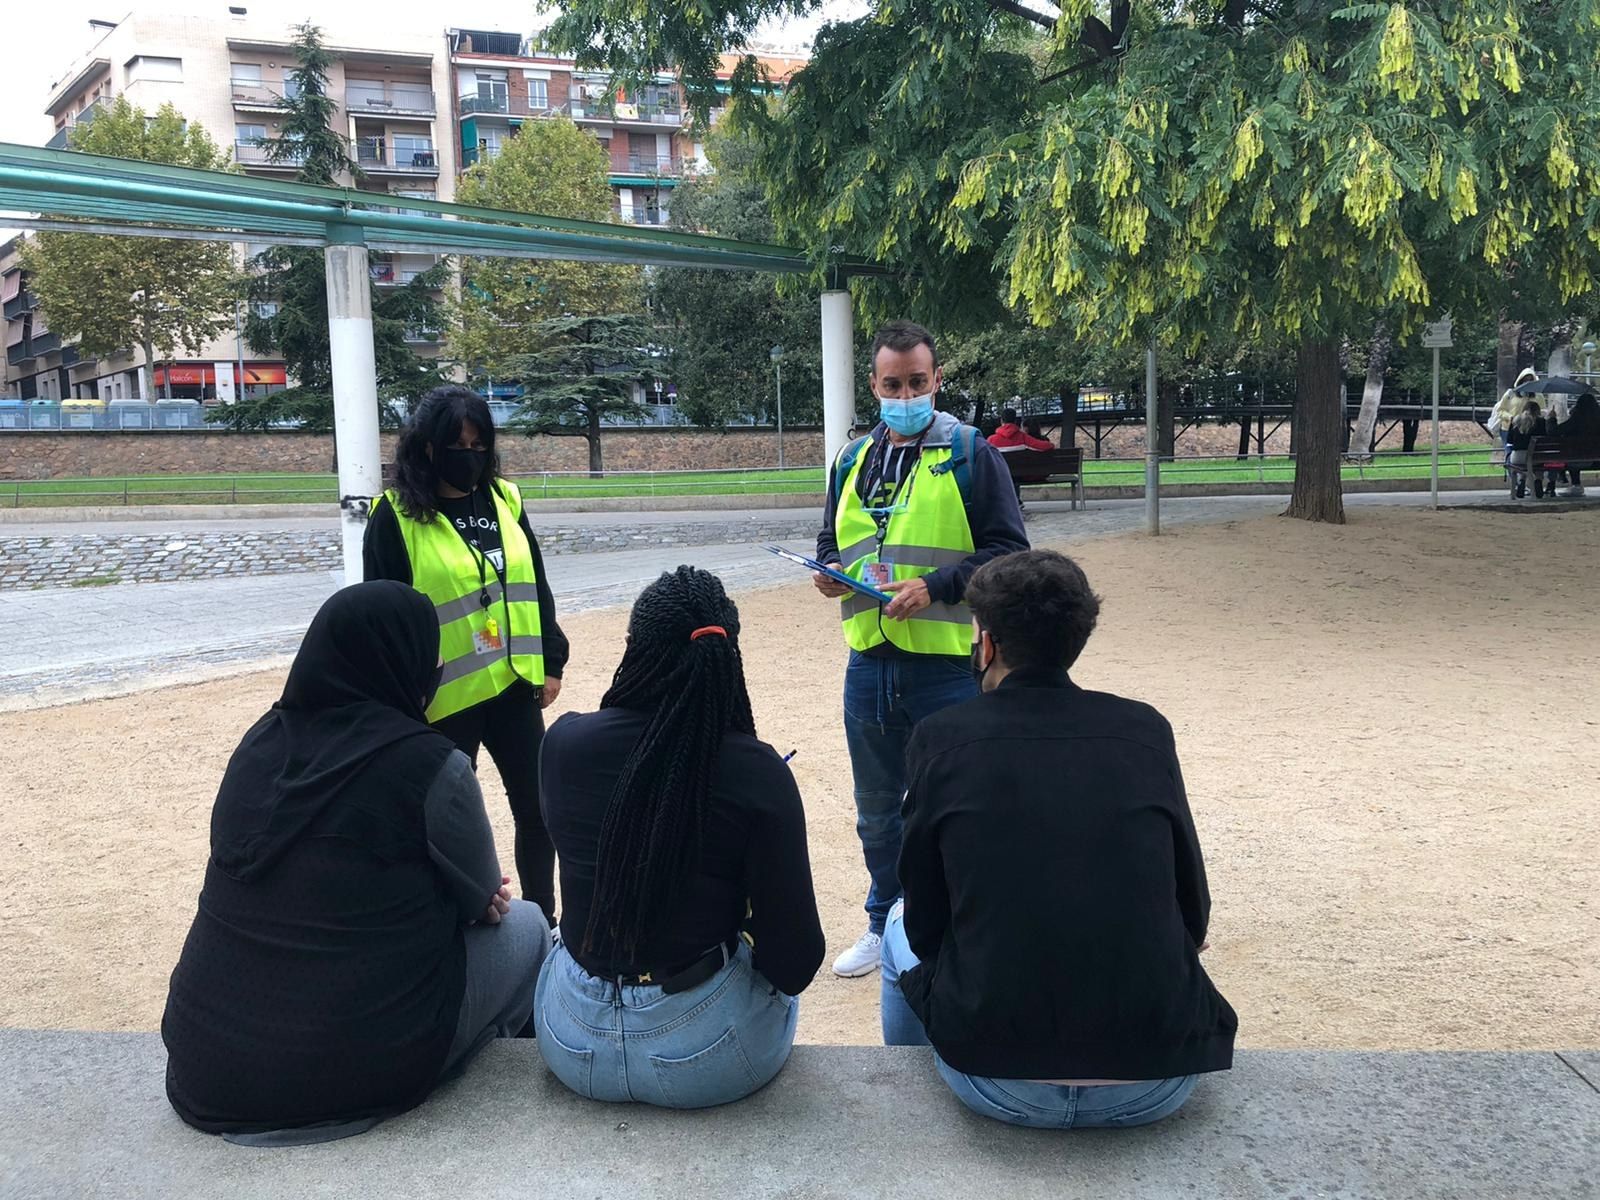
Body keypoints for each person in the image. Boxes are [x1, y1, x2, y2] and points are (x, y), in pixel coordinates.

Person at [162, 582, 550, 1144]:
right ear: (404, 664)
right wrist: (473, 894)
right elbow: (486, 899)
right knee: (531, 924)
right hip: (357, 1065)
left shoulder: (257, 744)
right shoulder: (431, 765)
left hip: (207, 1061)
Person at [880, 550, 1237, 1129]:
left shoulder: (941, 738)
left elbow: (925, 922)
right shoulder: (1144, 729)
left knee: (893, 922)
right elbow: (1191, 912)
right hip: (1160, 1075)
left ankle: (906, 1095)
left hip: (993, 1077)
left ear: (987, 644)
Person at [536, 566, 825, 1108]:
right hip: (707, 1053)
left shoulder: (564, 743)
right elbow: (796, 961)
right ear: (728, 657)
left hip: (570, 1041)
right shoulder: (754, 770)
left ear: (630, 647)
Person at [814, 320, 1029, 978]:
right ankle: (884, 922)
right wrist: (827, 571)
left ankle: (960, 928)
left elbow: (1010, 554)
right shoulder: (852, 459)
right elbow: (831, 539)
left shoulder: (970, 453)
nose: (904, 392)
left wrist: (935, 586)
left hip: (944, 673)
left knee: (956, 807)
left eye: (916, 381)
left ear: (936, 380)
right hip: (867, 666)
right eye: (891, 384)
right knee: (877, 813)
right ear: (873, 386)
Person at [365, 385, 569, 923]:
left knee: (538, 811)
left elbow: (535, 583)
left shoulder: (505, 499)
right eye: (458, 445)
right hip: (441, 699)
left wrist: (551, 660)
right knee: (446, 818)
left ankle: (543, 920)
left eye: (481, 445)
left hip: (513, 683)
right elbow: (379, 615)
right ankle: (459, 917)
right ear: (426, 448)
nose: (471, 456)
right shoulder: (396, 515)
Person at [1507, 400, 1542, 499]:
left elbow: (1509, 440)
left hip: (1517, 457)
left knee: (1521, 466)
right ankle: (1538, 481)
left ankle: (1521, 481)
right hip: (1536, 457)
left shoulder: (1515, 420)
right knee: (1537, 465)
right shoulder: (1541, 422)